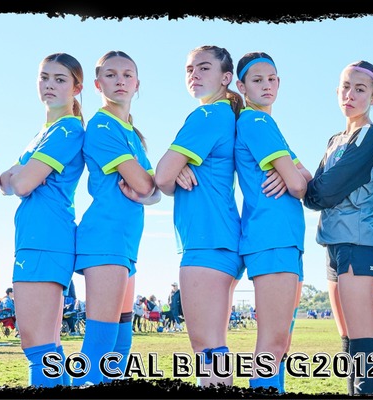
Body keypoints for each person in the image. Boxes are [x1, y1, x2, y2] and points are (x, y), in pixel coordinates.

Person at [152, 46, 241, 388]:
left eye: (204, 68)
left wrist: (174, 170)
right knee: (214, 345)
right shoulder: (224, 115)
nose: (194, 74)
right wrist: (179, 169)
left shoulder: (207, 115)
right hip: (220, 238)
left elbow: (162, 177)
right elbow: (169, 177)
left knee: (206, 347)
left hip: (207, 240)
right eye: (190, 69)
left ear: (226, 77)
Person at [0, 53, 86, 387]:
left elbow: (19, 184)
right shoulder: (45, 132)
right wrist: (24, 173)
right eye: (44, 77)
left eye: (60, 79)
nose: (49, 84)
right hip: (37, 237)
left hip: (46, 238)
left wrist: (22, 173)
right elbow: (4, 182)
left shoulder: (67, 129)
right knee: (47, 347)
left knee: (37, 346)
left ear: (76, 88)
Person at [74, 50, 160, 386]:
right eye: (111, 75)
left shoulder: (132, 134)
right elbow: (145, 185)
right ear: (98, 84)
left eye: (127, 75)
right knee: (100, 342)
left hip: (125, 243)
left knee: (121, 342)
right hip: (104, 239)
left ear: (137, 84)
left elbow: (153, 193)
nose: (120, 80)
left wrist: (148, 190)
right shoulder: (102, 126)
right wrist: (147, 189)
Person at [301, 60, 373, 395]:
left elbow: (322, 192)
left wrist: (305, 183)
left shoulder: (369, 136)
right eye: (346, 87)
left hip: (358, 244)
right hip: (332, 244)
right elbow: (317, 191)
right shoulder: (335, 139)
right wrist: (311, 187)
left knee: (363, 344)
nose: (350, 94)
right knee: (348, 343)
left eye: (360, 89)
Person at [231, 52, 312, 393]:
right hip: (272, 237)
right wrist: (292, 175)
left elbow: (305, 178)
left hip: (285, 239)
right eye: (257, 80)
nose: (266, 85)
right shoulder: (255, 121)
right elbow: (298, 184)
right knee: (273, 342)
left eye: (272, 79)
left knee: (281, 343)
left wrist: (293, 175)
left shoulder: (269, 125)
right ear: (241, 86)